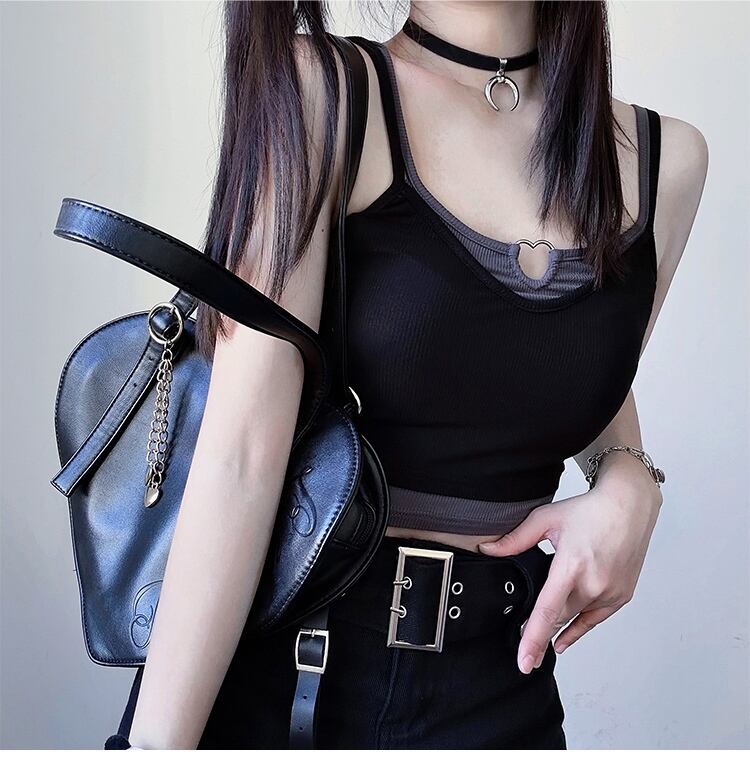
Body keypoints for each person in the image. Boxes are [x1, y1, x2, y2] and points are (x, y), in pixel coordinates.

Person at [119, 0, 708, 750]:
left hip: (502, 682)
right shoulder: (326, 92)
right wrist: (153, 748)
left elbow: (565, 365)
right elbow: (240, 455)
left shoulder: (664, 162)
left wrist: (630, 478)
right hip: (295, 671)